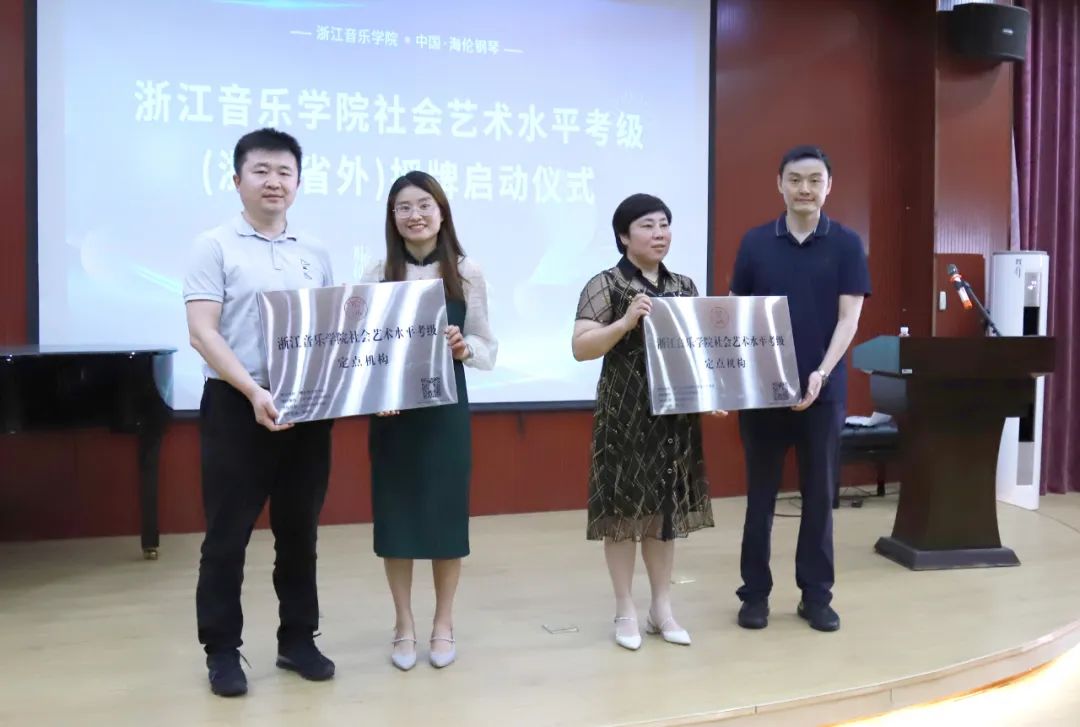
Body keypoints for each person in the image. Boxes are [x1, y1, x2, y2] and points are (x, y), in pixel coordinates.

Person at [183, 128, 337, 697]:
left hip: (305, 406)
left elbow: (329, 332)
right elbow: (202, 332)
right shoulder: (214, 246)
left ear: (298, 181)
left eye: (284, 172)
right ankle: (222, 650)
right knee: (227, 536)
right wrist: (252, 391)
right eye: (261, 171)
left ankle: (298, 639)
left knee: (299, 531)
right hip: (236, 404)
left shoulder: (314, 252)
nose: (274, 181)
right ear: (237, 179)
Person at [730, 145, 871, 633]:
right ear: (780, 185)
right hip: (763, 395)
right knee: (760, 499)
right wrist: (733, 381)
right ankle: (754, 595)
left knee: (819, 497)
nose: (804, 189)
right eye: (795, 179)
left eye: (814, 180)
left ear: (829, 186)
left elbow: (849, 319)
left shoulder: (847, 244)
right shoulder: (755, 243)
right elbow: (736, 313)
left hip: (822, 392)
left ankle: (816, 596)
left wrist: (822, 373)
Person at [361, 171, 497, 671]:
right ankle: (403, 625)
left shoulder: (466, 270)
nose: (414, 215)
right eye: (404, 207)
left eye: (424, 205)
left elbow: (487, 345)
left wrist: (464, 348)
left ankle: (443, 623)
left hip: (445, 412)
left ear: (442, 212)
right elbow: (364, 347)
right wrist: (376, 394)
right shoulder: (378, 271)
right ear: (392, 217)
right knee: (395, 520)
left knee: (445, 517)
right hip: (393, 414)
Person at [573, 193, 720, 651]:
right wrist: (623, 323)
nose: (659, 234)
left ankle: (662, 609)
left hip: (673, 418)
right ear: (624, 236)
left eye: (664, 225)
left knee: (663, 513)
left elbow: (698, 350)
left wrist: (714, 394)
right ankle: (625, 609)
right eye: (647, 226)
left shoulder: (684, 286)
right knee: (622, 515)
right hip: (625, 414)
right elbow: (581, 347)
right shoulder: (606, 284)